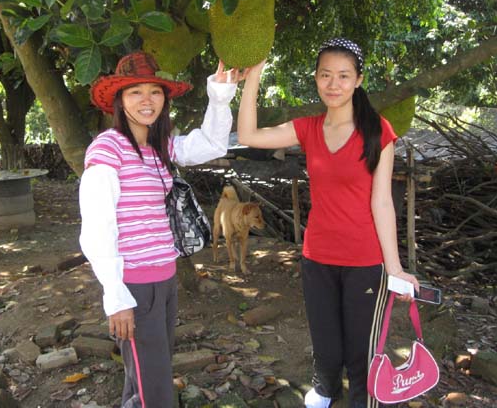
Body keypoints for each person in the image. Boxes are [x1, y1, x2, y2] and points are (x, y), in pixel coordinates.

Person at [236, 38, 419, 408]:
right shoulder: (308, 128)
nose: (333, 84)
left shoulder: (377, 131)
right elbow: (248, 136)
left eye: (343, 76)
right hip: (317, 257)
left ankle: (362, 401)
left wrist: (395, 268)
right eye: (325, 75)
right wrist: (253, 77)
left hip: (365, 261)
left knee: (361, 348)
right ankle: (325, 390)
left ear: (358, 80)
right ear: (316, 78)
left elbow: (382, 202)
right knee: (325, 340)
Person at [79, 51, 240, 408]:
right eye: (135, 92)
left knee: (147, 378)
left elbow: (211, 144)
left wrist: (219, 96)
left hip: (164, 278)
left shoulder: (159, 146)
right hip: (134, 284)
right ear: (120, 100)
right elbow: (97, 225)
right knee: (155, 391)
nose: (147, 100)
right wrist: (116, 296)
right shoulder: (108, 148)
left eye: (155, 91)